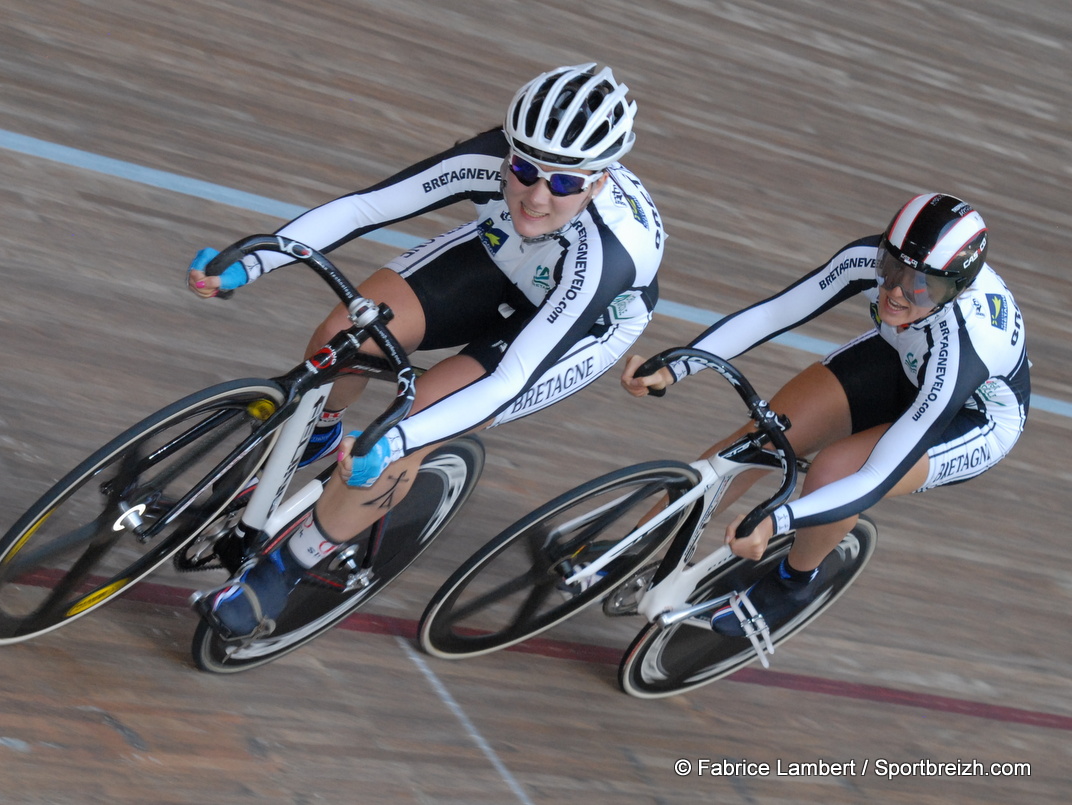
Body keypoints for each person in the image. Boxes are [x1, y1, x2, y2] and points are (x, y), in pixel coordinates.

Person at [188, 63, 665, 638]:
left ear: (599, 181)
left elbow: (511, 375)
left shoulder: (613, 251)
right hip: (502, 256)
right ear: (508, 151)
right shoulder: (490, 160)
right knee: (345, 333)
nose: (537, 197)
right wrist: (253, 261)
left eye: (564, 183)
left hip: (573, 324)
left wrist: (397, 436)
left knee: (403, 435)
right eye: (524, 170)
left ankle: (285, 571)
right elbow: (367, 207)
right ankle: (320, 429)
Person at [621, 192, 1028, 636]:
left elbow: (873, 478)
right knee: (762, 436)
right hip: (905, 356)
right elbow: (776, 313)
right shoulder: (875, 260)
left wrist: (778, 519)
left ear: (956, 290)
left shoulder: (966, 347)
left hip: (969, 414)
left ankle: (794, 584)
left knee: (835, 473)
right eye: (891, 268)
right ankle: (630, 551)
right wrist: (679, 365)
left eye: (920, 285)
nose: (894, 290)